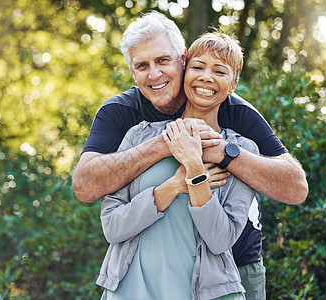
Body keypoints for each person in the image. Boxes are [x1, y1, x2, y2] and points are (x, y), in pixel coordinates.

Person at [72, 11, 308, 299]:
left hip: (235, 265)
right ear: (132, 73)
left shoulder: (235, 113)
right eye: (142, 65)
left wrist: (222, 152)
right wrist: (165, 144)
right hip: (151, 272)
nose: (154, 74)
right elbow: (86, 188)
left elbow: (295, 188)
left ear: (181, 59)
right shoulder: (126, 118)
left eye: (162, 60)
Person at [98, 31, 257, 299]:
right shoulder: (139, 136)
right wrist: (172, 186)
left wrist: (195, 169)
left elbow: (220, 240)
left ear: (233, 84)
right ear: (184, 72)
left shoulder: (241, 151)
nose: (206, 77)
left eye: (219, 71)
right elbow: (112, 228)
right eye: (197, 67)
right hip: (131, 291)